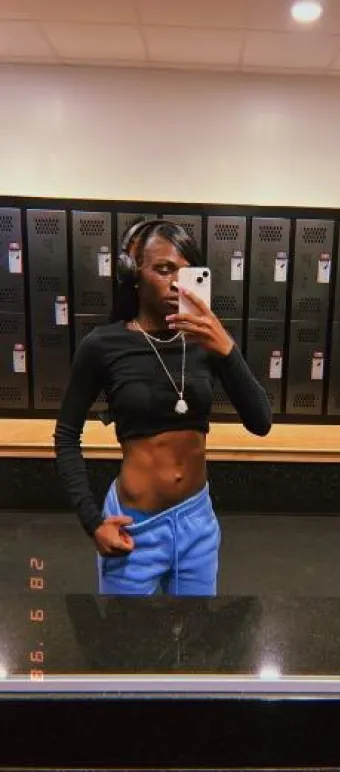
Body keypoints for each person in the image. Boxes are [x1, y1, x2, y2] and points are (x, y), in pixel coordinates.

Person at [53, 219, 272, 597]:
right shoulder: (103, 345)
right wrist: (93, 522)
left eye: (186, 272)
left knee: (195, 633)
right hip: (134, 529)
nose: (175, 283)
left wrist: (227, 350)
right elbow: (66, 435)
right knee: (126, 634)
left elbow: (261, 422)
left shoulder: (207, 341)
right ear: (133, 274)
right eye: (164, 269)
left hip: (196, 524)